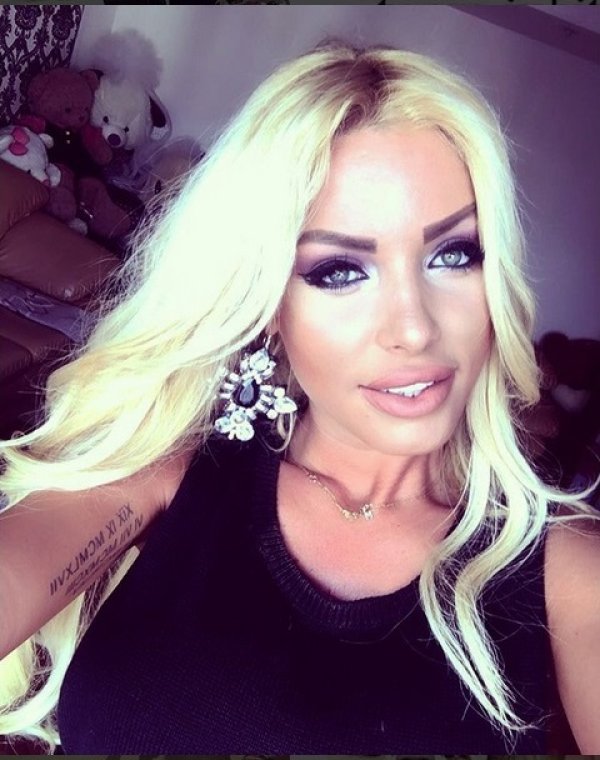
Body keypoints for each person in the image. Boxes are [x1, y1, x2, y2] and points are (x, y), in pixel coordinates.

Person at [0, 38, 599, 755]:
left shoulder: (564, 573)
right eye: (339, 271)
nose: (415, 328)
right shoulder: (172, 471)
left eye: (453, 255)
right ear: (269, 308)